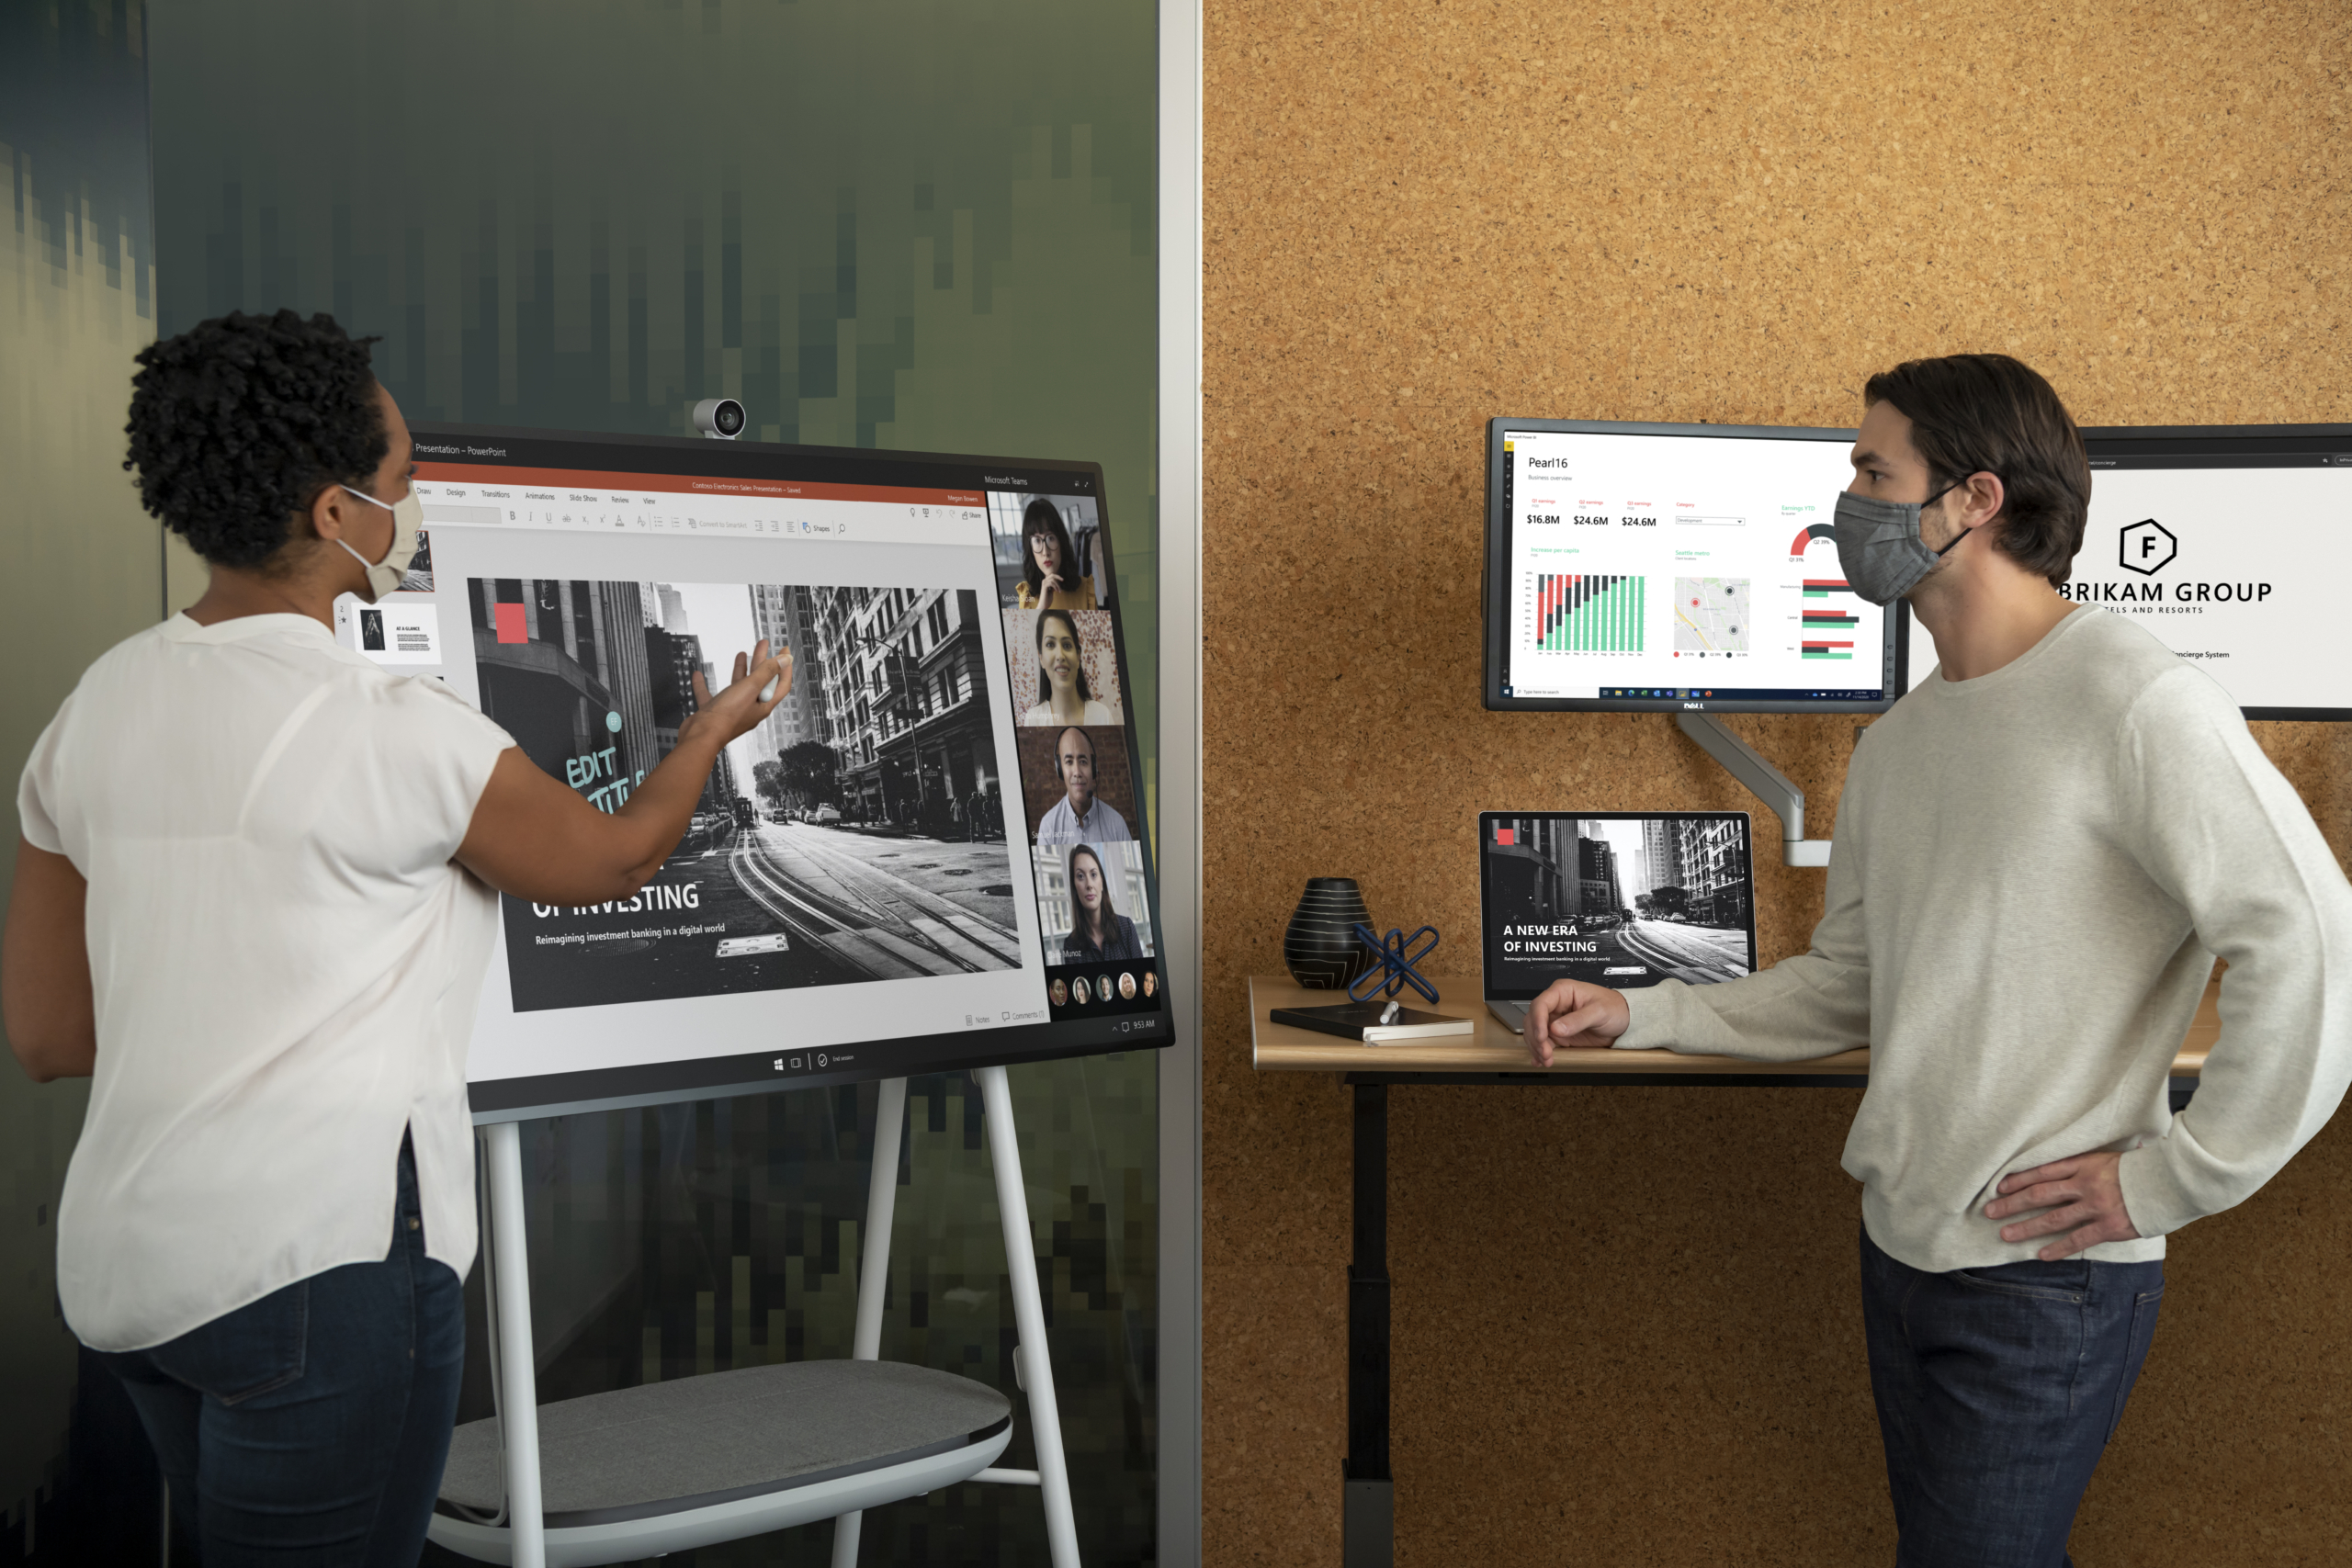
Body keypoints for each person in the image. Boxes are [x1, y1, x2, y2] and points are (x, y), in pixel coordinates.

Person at [1525, 353, 2352, 1564]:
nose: (1845, 502)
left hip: (2044, 1276)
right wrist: (1642, 1014)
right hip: (1904, 1245)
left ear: (1973, 498)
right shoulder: (1902, 739)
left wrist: (2176, 1177)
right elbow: (1852, 980)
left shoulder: (2135, 699)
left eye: (1871, 469)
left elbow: (2318, 943)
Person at [0, 310, 792, 1567]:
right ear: (334, 514)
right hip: (324, 1278)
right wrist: (705, 733)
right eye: (406, 479)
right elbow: (620, 854)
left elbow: (46, 1034)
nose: (414, 503)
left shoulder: (93, 707)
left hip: (127, 1275)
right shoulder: (400, 730)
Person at [1035, 726, 1132, 848]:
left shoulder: (1117, 823)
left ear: (1094, 767)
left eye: (1083, 762)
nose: (1077, 772)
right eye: (1069, 762)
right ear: (1060, 770)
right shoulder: (1048, 826)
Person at [1019, 608, 1115, 726]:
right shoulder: (1032, 720)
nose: (1060, 656)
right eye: (1050, 644)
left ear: (1078, 656)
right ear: (1041, 658)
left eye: (1067, 645)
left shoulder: (1102, 715)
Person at [1056, 842, 1145, 964]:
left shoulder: (1127, 928)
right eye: (1080, 876)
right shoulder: (1070, 946)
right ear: (1074, 887)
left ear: (1102, 882)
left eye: (1093, 875)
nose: (1089, 885)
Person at [1013, 497, 1096, 611]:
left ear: (1061, 541)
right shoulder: (1026, 595)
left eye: (1051, 538)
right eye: (1037, 540)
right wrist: (1041, 607)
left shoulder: (1086, 589)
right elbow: (1027, 629)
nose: (1045, 552)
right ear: (1030, 549)